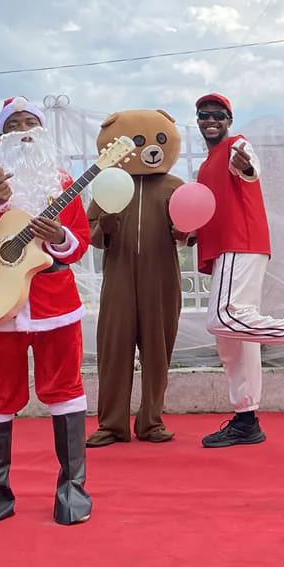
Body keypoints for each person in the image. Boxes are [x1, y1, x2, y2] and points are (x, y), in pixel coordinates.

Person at [0, 96, 93, 531]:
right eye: (13, 125)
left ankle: (72, 488)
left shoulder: (63, 181)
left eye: (31, 122)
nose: (24, 130)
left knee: (65, 390)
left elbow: (79, 242)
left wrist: (60, 236)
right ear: (2, 135)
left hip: (55, 304)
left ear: (43, 130)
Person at [192, 93, 284, 448]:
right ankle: (246, 420)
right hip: (229, 248)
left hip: (240, 243)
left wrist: (246, 166)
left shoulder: (236, 146)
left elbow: (250, 168)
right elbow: (211, 208)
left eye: (218, 115)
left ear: (229, 119)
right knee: (233, 340)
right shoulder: (205, 166)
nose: (211, 120)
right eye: (204, 115)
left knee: (223, 318)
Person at [86, 109, 187, 446]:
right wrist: (106, 228)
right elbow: (90, 233)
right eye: (139, 141)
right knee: (114, 349)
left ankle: (151, 421)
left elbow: (189, 232)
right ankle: (111, 424)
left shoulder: (174, 186)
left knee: (158, 351)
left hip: (162, 278)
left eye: (158, 140)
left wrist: (184, 232)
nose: (151, 148)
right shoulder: (108, 184)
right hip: (118, 276)